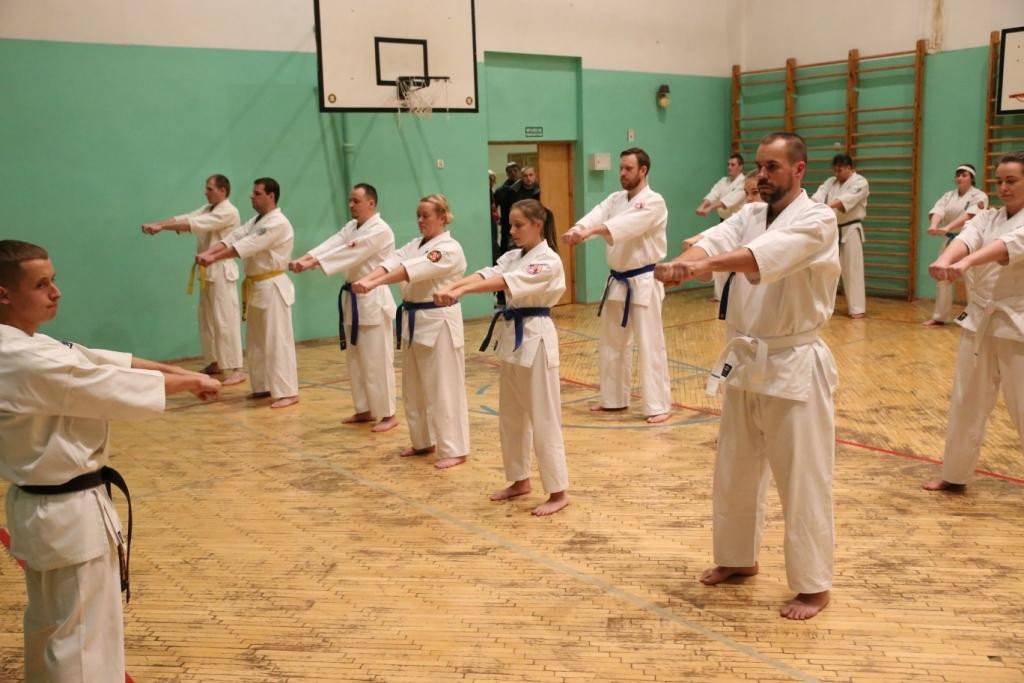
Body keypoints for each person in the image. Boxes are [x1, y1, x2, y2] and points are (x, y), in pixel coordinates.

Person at [0, 240, 220, 682]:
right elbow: (100, 381)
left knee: (50, 628)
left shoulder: (27, 343)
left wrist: (181, 373)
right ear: (4, 294)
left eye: (54, 280)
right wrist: (186, 384)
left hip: (44, 508)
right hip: (67, 514)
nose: (56, 292)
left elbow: (97, 358)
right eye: (41, 285)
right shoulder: (21, 356)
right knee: (82, 644)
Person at [655, 132, 840, 620]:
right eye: (759, 166)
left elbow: (759, 257)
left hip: (793, 363)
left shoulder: (818, 219)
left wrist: (702, 266)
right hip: (745, 359)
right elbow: (711, 241)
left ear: (799, 169)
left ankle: (813, 585)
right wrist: (680, 264)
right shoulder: (751, 213)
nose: (762, 175)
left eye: (772, 167)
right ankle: (738, 558)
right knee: (735, 469)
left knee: (802, 479)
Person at [435, 199, 570, 515]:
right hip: (512, 338)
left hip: (536, 337)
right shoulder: (514, 256)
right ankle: (519, 480)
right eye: (510, 225)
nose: (512, 231)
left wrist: (460, 292)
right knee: (511, 416)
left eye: (518, 225)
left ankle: (558, 491)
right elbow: (488, 274)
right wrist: (454, 285)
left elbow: (506, 282)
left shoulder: (548, 260)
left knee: (544, 417)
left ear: (537, 224)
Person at [923, 151, 1024, 492]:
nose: (1003, 187)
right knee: (966, 401)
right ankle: (955, 474)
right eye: (1000, 181)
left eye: (1012, 181)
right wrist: (946, 259)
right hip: (979, 322)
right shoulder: (988, 216)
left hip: (1017, 326)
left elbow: (1005, 247)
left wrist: (965, 265)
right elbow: (968, 238)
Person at [352, 194, 470, 469]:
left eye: (426, 215)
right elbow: (392, 261)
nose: (420, 220)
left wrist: (374, 284)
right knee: (413, 388)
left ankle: (455, 448)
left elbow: (408, 271)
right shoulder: (416, 244)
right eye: (418, 215)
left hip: (439, 321)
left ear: (442, 217)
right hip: (413, 320)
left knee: (443, 388)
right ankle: (422, 441)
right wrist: (368, 278)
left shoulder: (448, 248)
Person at [563, 147, 672, 424]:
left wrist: (591, 232)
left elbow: (625, 225)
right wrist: (578, 230)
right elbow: (596, 216)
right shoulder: (615, 199)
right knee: (611, 343)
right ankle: (613, 399)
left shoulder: (654, 202)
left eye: (628, 169)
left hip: (644, 280)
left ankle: (658, 404)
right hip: (618, 281)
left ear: (643, 170)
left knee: (649, 344)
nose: (622, 173)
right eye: (621, 168)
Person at [289, 183, 398, 431]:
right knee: (356, 359)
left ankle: (388, 414)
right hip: (353, 298)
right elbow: (333, 243)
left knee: (377, 360)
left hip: (372, 298)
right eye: (350, 200)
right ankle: (364, 409)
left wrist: (312, 264)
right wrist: (306, 258)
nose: (351, 205)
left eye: (356, 201)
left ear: (371, 203)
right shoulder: (352, 226)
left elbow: (350, 252)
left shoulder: (380, 230)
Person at [196, 177, 299, 408]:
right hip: (256, 286)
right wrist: (210, 252)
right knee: (256, 342)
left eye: (257, 193)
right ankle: (262, 386)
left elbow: (247, 246)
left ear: (271, 196)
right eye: (253, 192)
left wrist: (212, 258)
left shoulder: (278, 223)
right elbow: (232, 238)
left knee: (277, 340)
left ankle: (288, 392)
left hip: (273, 286)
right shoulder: (255, 221)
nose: (252, 196)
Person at [142, 174, 246, 385]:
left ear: (222, 191)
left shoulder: (228, 211)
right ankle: (215, 362)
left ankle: (238, 368)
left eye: (209, 189)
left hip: (222, 271)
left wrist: (161, 227)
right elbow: (185, 217)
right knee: (206, 319)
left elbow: (193, 223)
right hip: (207, 272)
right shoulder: (209, 208)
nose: (205, 192)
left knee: (226, 320)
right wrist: (159, 224)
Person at [923, 163, 989, 326]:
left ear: (972, 178)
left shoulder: (980, 196)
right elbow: (938, 211)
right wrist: (934, 225)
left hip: (971, 242)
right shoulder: (949, 196)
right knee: (942, 276)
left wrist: (947, 227)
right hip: (950, 241)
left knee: (971, 280)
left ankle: (976, 317)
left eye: (964, 175)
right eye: (958, 175)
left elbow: (969, 215)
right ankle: (940, 316)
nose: (960, 178)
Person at [683, 171, 762, 300]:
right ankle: (719, 296)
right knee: (723, 269)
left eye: (755, 192)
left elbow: (730, 201)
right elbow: (722, 228)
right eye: (747, 193)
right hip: (728, 224)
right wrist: (699, 238)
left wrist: (709, 208)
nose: (748, 198)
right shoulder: (725, 183)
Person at [812, 153, 869, 318]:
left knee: (852, 269)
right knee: (825, 267)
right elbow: (818, 196)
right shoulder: (830, 182)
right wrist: (810, 207)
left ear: (850, 168)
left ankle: (857, 308)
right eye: (835, 170)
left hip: (851, 229)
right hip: (832, 229)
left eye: (840, 170)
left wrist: (825, 208)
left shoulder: (860, 182)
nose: (837, 174)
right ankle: (822, 306)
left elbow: (843, 201)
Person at [695, 154, 746, 220]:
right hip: (723, 219)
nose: (729, 167)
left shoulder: (744, 182)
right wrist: (702, 206)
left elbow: (730, 200)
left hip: (738, 221)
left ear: (740, 167)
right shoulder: (723, 180)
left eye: (732, 165)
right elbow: (713, 194)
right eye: (728, 164)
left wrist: (709, 208)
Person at [495, 161, 521, 256]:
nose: (513, 173)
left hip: (524, 224)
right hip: (507, 226)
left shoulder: (526, 188)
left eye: (515, 170)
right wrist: (497, 218)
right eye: (510, 171)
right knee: (506, 251)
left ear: (519, 172)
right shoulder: (501, 190)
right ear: (507, 174)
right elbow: (493, 207)